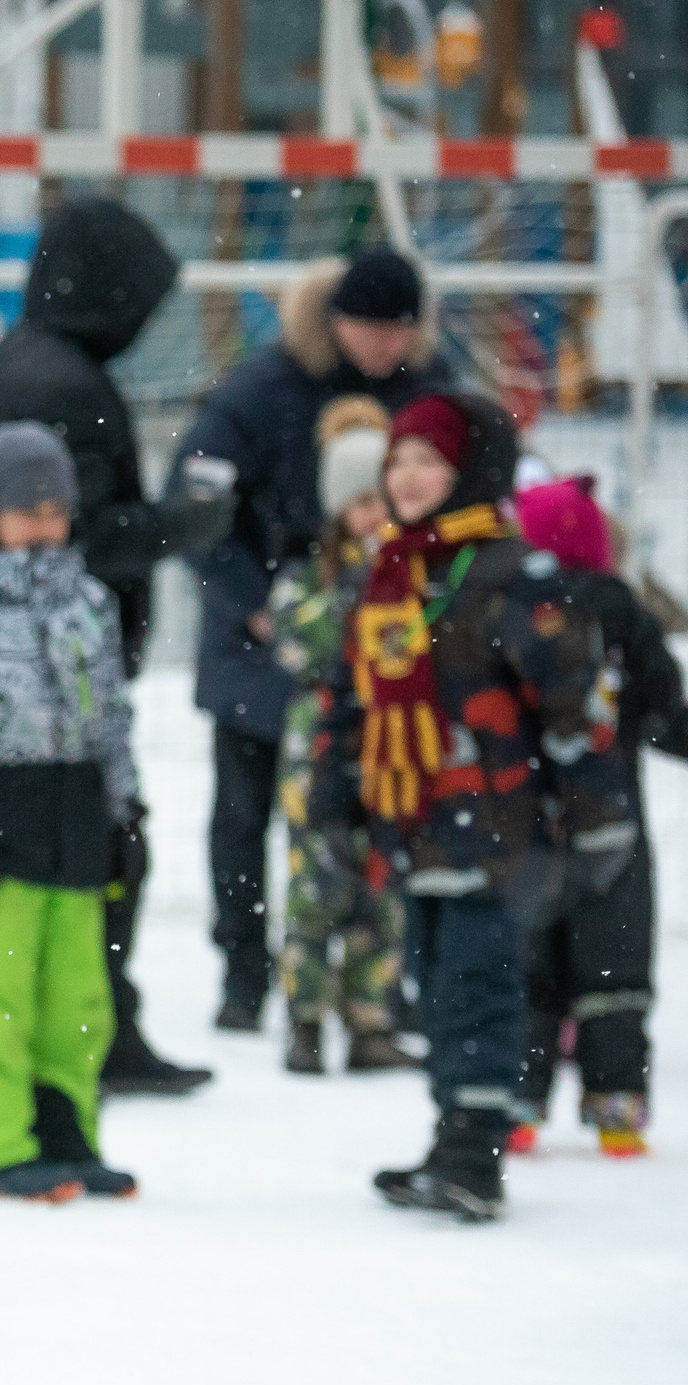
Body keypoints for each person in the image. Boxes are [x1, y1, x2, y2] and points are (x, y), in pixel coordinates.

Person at [318, 392, 636, 1221]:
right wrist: (335, 794)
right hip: (412, 821)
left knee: (479, 983)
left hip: (497, 828)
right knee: (428, 983)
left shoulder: (514, 576)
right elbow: (351, 698)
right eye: (397, 460)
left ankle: (476, 1148)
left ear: (472, 472)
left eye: (428, 460)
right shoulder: (389, 575)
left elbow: (573, 703)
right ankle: (451, 1132)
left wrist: (596, 812)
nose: (406, 476)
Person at [0, 197, 219, 1096]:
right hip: (48, 673)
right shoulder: (60, 382)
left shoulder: (12, 363)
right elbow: (78, 537)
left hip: (42, 666)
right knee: (92, 864)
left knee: (86, 864)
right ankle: (76, 1046)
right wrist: (185, 523)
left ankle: (91, 1033)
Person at [169, 245, 450, 1031]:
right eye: (373, 329)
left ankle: (379, 982)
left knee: (385, 819)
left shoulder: (429, 391)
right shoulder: (259, 391)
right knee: (245, 813)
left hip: (385, 658)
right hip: (257, 651)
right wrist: (259, 604)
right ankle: (245, 971)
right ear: (336, 320)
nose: (388, 346)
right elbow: (195, 508)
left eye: (402, 330)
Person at [0, 421, 140, 1202]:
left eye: (54, 510)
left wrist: (125, 809)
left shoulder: (91, 602)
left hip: (76, 815)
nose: (42, 526)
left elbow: (113, 715)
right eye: (24, 511)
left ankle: (65, 1130)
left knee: (79, 997)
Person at [507, 474, 687, 1156]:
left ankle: (519, 1105)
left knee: (529, 968)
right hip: (612, 826)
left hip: (528, 822)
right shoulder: (624, 610)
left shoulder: (513, 607)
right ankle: (617, 1110)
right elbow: (664, 705)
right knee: (615, 971)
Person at [271, 397, 411, 1076]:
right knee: (316, 885)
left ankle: (369, 1017)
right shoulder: (311, 574)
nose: (374, 515)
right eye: (360, 502)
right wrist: (355, 597)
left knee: (380, 885)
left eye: (382, 500)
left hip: (388, 740)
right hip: (321, 749)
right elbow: (299, 640)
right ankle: (305, 1015)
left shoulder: (408, 569)